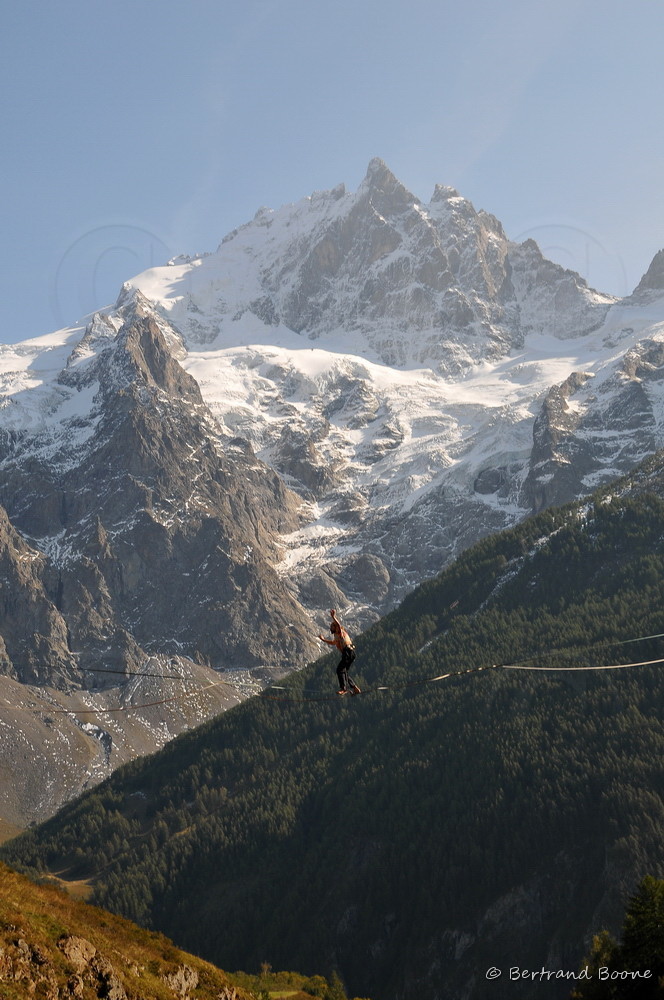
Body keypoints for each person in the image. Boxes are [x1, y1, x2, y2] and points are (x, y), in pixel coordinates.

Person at [318, 609, 361, 695]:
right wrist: (323, 639)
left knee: (339, 670)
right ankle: (355, 688)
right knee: (344, 672)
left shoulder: (340, 632)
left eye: (332, 626)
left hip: (347, 652)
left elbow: (338, 624)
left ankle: (343, 689)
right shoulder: (337, 636)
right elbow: (332, 643)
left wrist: (333, 617)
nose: (331, 628)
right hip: (351, 653)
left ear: (336, 628)